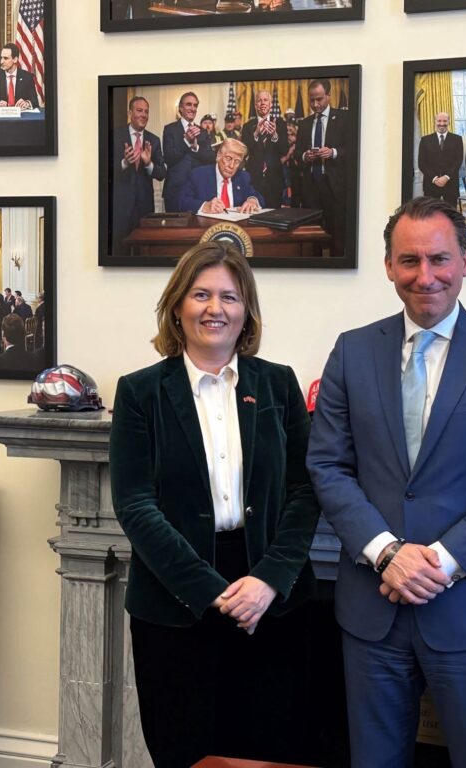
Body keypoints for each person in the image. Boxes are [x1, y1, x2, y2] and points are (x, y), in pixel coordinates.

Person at [306, 197, 466, 768]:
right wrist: (387, 553)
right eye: (409, 260)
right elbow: (327, 466)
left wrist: (436, 562)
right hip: (372, 612)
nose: (425, 276)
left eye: (439, 259)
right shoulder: (352, 351)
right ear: (388, 266)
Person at [109, 241, 320, 768]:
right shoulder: (139, 392)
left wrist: (268, 580)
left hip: (271, 599)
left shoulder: (278, 384)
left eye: (229, 296)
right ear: (177, 305)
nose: (214, 308)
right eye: (200, 294)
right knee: (183, 751)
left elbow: (304, 490)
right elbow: (135, 504)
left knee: (269, 750)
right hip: (175, 603)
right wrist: (212, 592)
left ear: (246, 310)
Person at [295, 78, 351, 259]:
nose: (315, 104)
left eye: (319, 99)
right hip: (311, 187)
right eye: (311, 100)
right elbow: (297, 154)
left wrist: (333, 152)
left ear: (329, 96)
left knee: (337, 238)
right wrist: (305, 156)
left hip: (334, 187)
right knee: (312, 239)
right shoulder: (304, 124)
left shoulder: (344, 118)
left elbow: (353, 149)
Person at [113, 96, 166, 250]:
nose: (143, 115)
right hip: (120, 206)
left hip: (144, 208)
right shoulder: (115, 136)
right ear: (130, 113)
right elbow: (104, 171)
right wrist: (125, 163)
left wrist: (149, 164)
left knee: (143, 250)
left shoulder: (154, 140)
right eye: (139, 110)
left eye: (146, 112)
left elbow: (162, 173)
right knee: (120, 250)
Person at [162, 92, 216, 212]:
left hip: (198, 191)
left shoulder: (203, 132)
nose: (192, 108)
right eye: (188, 104)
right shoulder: (170, 129)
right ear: (181, 108)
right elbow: (168, 158)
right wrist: (186, 142)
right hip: (175, 190)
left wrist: (196, 147)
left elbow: (210, 158)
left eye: (195, 105)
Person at [179, 138, 264, 214]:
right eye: (228, 158)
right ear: (219, 155)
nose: (231, 166)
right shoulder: (199, 174)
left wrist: (253, 200)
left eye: (237, 161)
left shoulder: (243, 177)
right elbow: (180, 201)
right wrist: (204, 206)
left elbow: (257, 196)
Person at [243, 90, 289, 211]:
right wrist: (256, 134)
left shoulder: (280, 123)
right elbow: (245, 151)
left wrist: (275, 136)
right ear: (255, 105)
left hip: (275, 180)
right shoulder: (248, 126)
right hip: (254, 180)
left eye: (265, 100)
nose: (262, 103)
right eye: (259, 100)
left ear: (270, 104)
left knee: (274, 215)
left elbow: (284, 150)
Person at [417, 112, 464, 207]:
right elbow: (422, 163)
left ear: (449, 122)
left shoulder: (457, 139)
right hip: (431, 185)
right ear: (435, 121)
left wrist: (446, 177)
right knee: (431, 213)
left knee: (450, 213)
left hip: (451, 184)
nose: (442, 123)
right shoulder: (425, 140)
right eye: (439, 121)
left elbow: (458, 161)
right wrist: (435, 178)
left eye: (445, 121)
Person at [0, 43, 36, 109]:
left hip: (21, 115)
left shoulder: (27, 77)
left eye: (5, 58)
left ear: (15, 59)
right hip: (3, 115)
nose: (1, 62)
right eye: (1, 58)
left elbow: (35, 101)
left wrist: (27, 103)